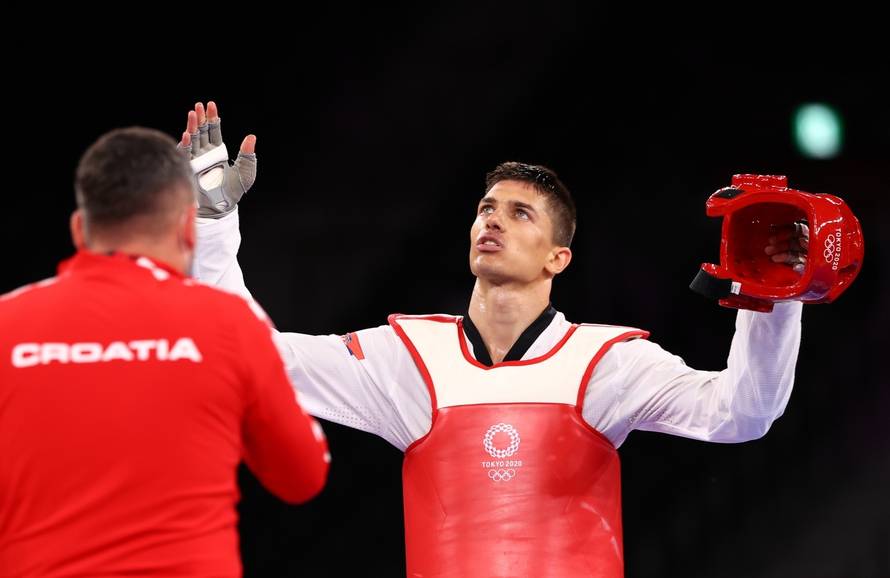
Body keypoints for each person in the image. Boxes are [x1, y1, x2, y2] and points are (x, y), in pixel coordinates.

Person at [186, 102, 805, 577]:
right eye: (487, 207)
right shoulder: (408, 360)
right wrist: (213, 230)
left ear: (558, 257)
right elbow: (252, 353)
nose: (492, 220)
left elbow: (741, 413)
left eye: (520, 213)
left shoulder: (607, 363)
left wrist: (771, 300)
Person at [0, 127, 330, 578]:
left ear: (79, 229)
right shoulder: (229, 326)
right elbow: (303, 477)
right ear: (185, 230)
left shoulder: (7, 325)